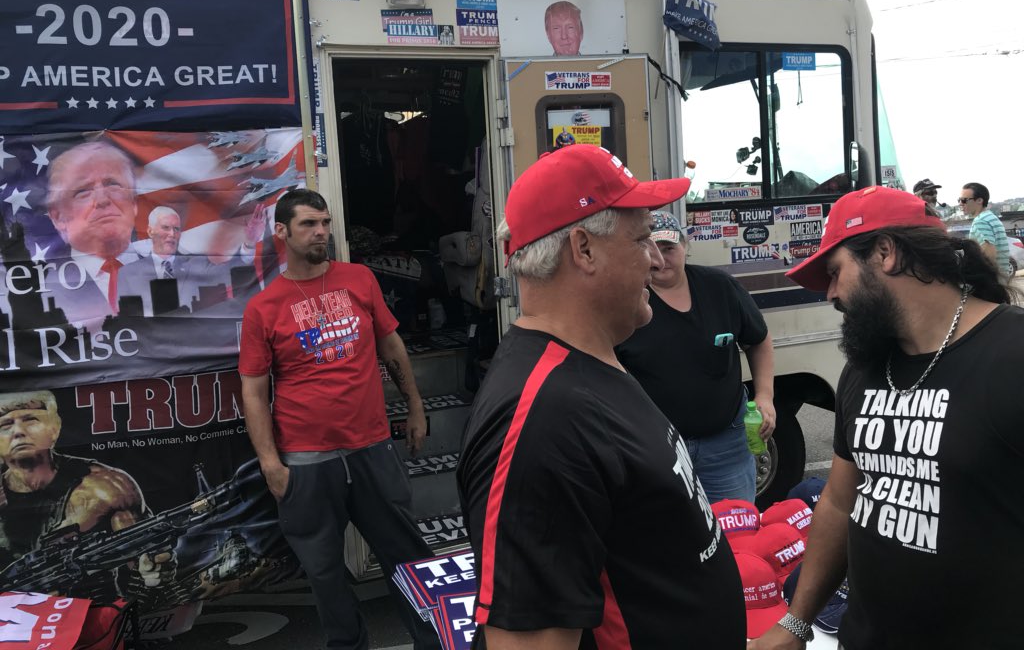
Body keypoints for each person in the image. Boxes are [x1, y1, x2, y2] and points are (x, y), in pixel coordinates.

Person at [457, 144, 744, 649]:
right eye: (641, 241)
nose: (657, 261)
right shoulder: (543, 419)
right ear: (583, 250)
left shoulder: (593, 361)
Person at [750, 185, 1024, 650]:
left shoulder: (1012, 355)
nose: (831, 294)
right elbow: (838, 502)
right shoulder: (865, 368)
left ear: (886, 252)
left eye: (835, 273)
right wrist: (797, 623)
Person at [238, 188, 440, 650]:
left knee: (408, 558)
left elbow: (391, 345)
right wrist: (270, 463)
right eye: (309, 224)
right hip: (306, 460)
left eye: (325, 223)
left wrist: (414, 406)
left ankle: (436, 640)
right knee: (325, 573)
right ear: (282, 233)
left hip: (371, 445)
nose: (321, 232)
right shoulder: (263, 308)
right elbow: (253, 391)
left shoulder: (359, 279)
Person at [616, 211, 776, 504]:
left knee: (735, 534)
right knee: (671, 542)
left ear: (685, 246)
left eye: (669, 248)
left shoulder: (719, 287)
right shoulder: (628, 300)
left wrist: (765, 396)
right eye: (650, 249)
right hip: (657, 452)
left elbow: (759, 340)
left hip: (726, 446)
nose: (660, 259)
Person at [0, 390, 173, 591]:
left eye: (31, 420)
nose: (18, 432)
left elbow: (146, 556)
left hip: (91, 612)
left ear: (54, 429)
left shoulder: (104, 487)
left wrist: (152, 569)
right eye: (5, 425)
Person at [44, 141, 141, 331]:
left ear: (134, 203)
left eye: (113, 184)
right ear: (58, 217)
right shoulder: (39, 287)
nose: (103, 200)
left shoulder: (177, 270)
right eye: (83, 191)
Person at [117, 205, 264, 315]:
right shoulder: (127, 274)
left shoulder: (196, 264)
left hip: (191, 346)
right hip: (150, 350)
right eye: (166, 227)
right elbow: (126, 320)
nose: (172, 234)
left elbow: (229, 271)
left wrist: (249, 244)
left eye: (176, 229)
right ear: (150, 231)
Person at [960, 181, 1011, 278]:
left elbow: (989, 254)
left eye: (964, 200)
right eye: (959, 200)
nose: (960, 204)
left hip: (991, 281)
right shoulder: (991, 217)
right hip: (1001, 277)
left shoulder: (980, 221)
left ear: (979, 200)